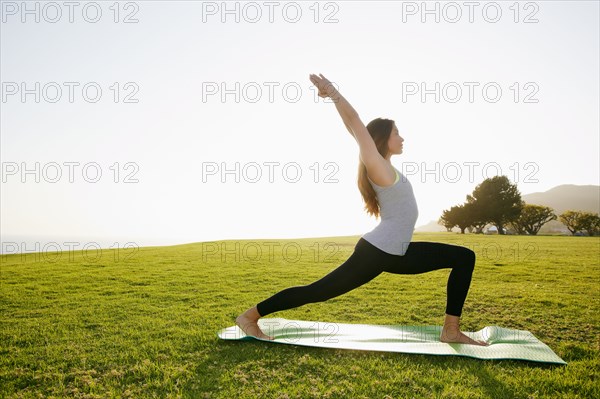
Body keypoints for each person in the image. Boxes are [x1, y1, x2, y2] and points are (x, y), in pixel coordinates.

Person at [235, 73, 488, 346]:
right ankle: (250, 316)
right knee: (318, 291)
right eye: (396, 133)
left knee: (464, 257)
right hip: (378, 251)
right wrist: (332, 92)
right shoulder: (377, 165)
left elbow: (353, 129)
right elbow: (354, 122)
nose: (402, 138)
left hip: (397, 251)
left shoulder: (386, 166)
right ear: (382, 138)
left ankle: (450, 330)